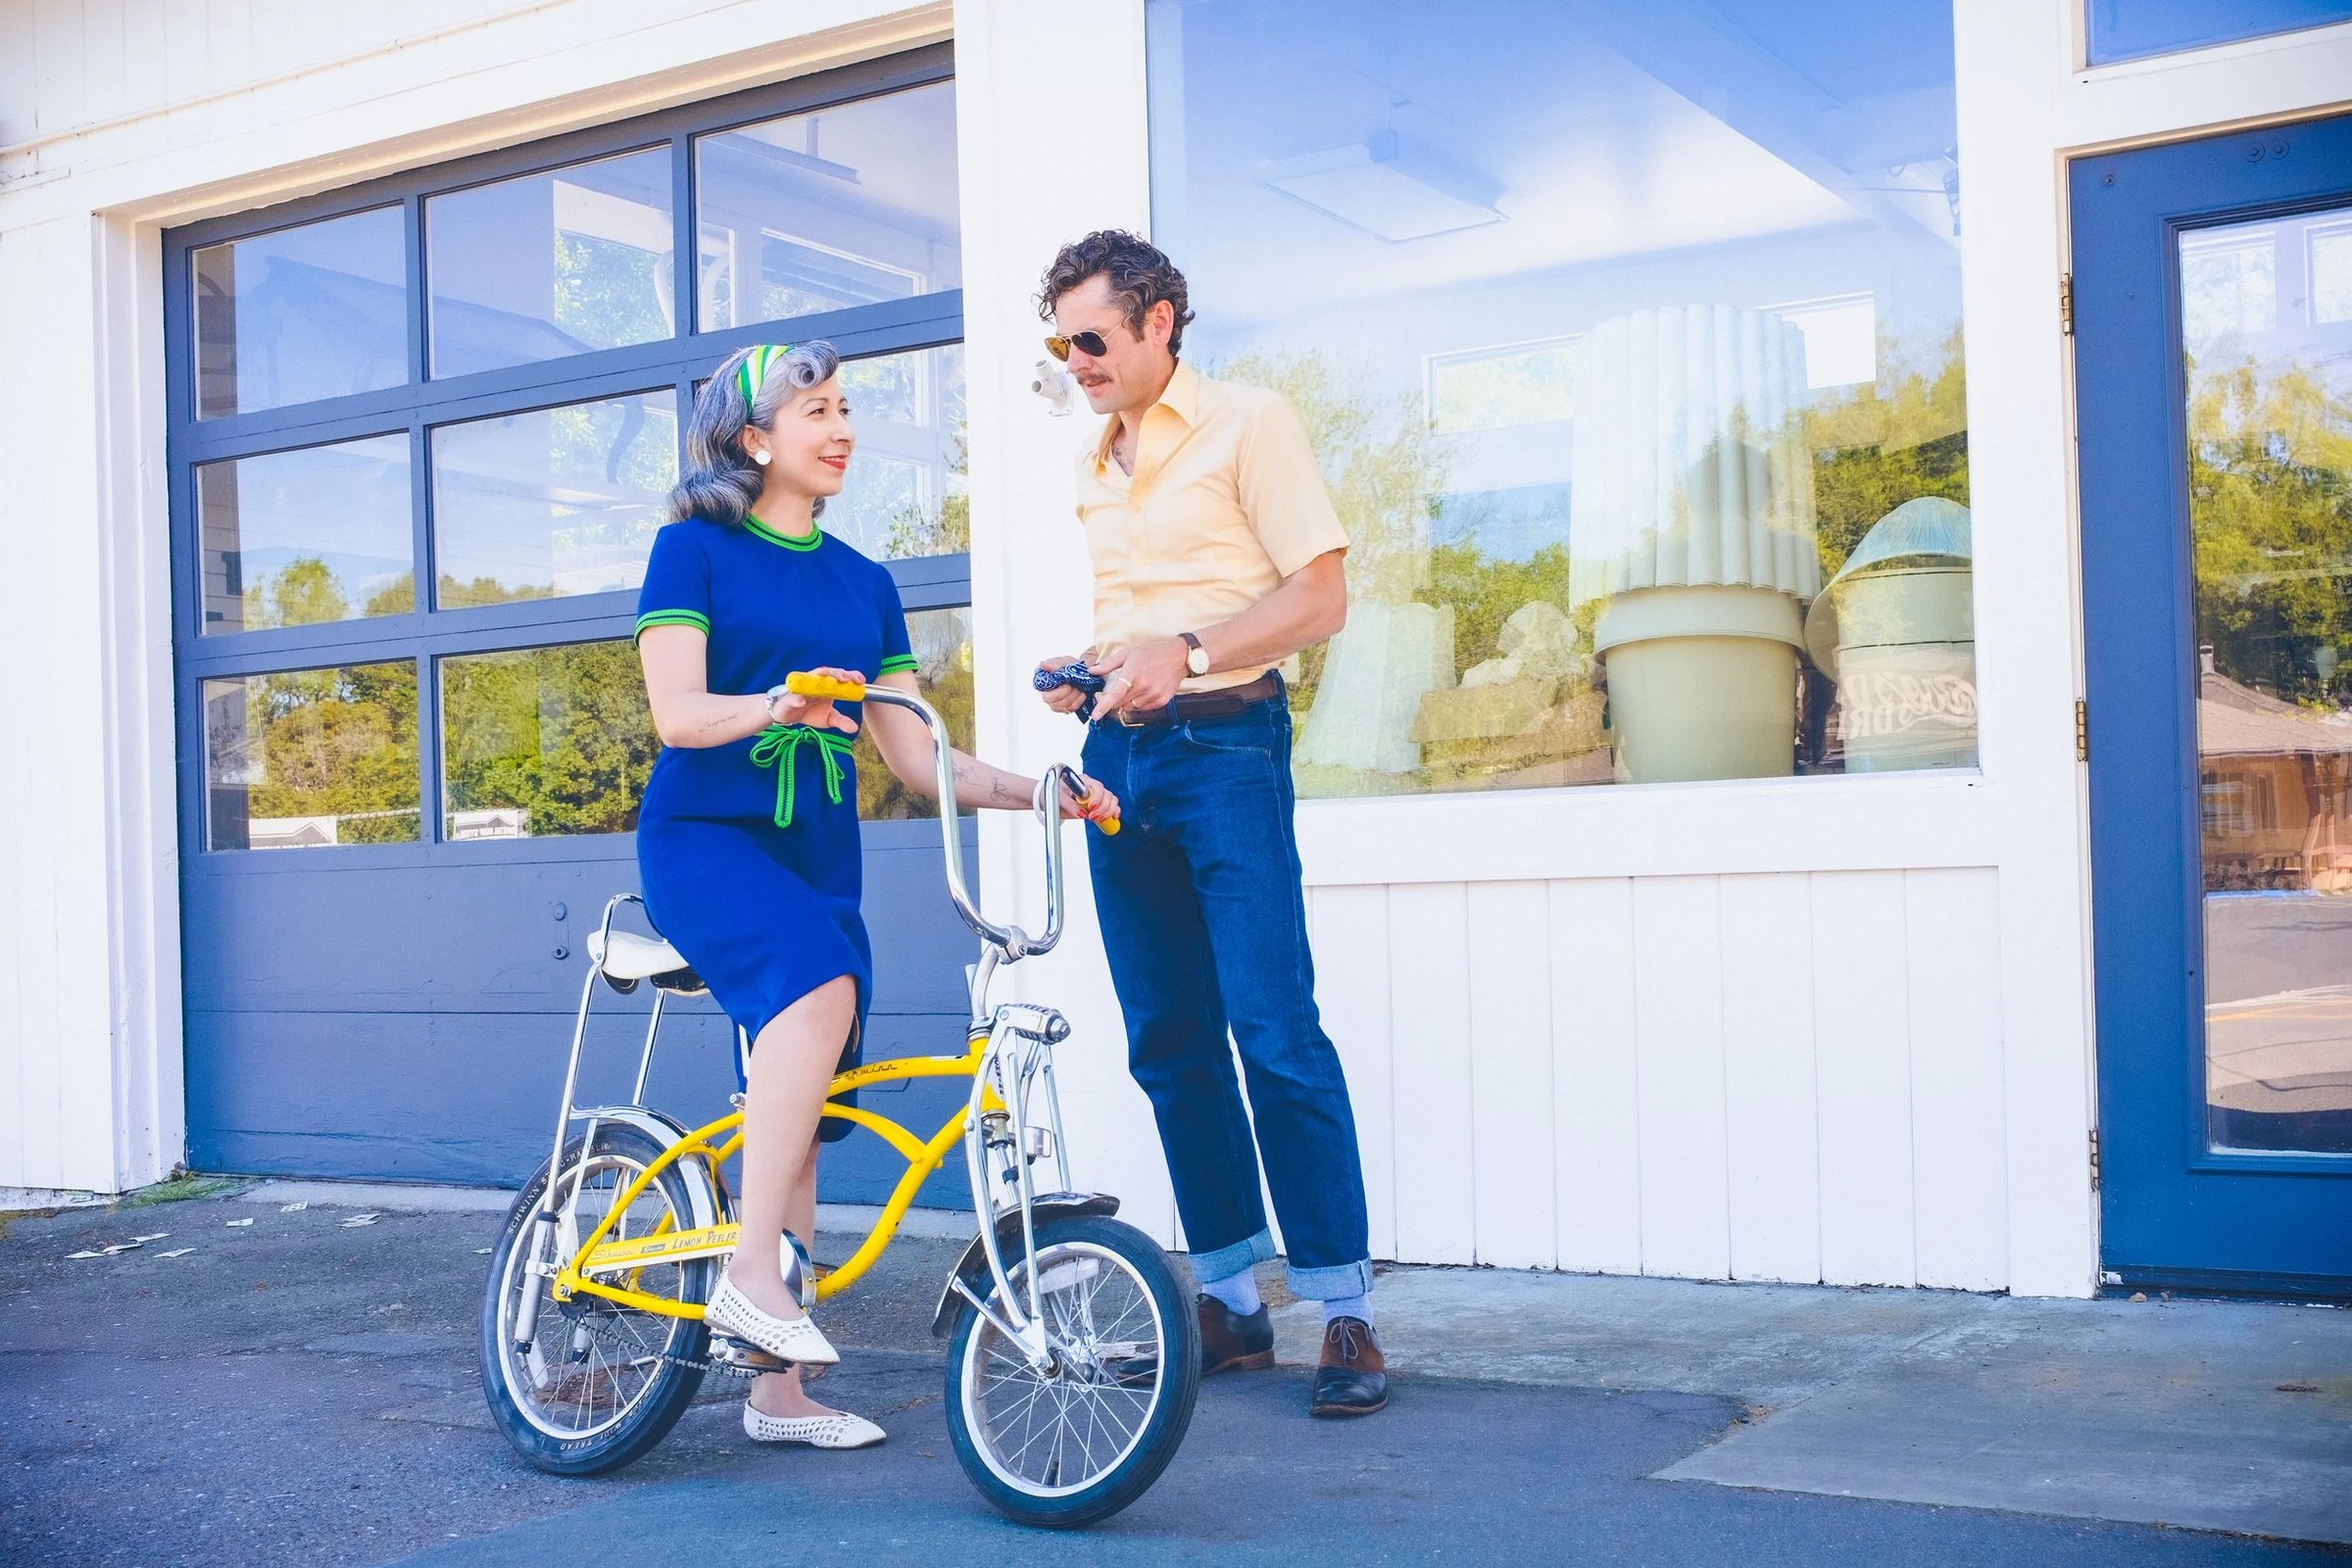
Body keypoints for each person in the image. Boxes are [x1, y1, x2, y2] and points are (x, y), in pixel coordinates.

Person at [633, 341, 1117, 1450]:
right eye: (817, 409)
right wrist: (783, 705)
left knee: (799, 1111)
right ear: (756, 437)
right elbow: (679, 716)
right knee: (813, 994)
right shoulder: (693, 550)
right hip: (708, 839)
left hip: (816, 856)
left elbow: (917, 759)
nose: (842, 425)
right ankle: (751, 1270)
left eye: (847, 407)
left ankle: (776, 1393)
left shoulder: (865, 583)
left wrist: (1040, 788)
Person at [1035, 231, 1387, 1418]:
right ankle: (1234, 1303)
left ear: (1160, 320)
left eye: (1092, 337)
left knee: (1273, 1027)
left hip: (1228, 747)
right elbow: (1134, 627)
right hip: (1118, 759)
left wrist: (1180, 652)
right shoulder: (1095, 461)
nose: (1074, 360)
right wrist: (1091, 673)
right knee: (1168, 1038)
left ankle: (1344, 1308)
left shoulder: (1250, 422)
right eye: (1061, 341)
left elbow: (1320, 598)